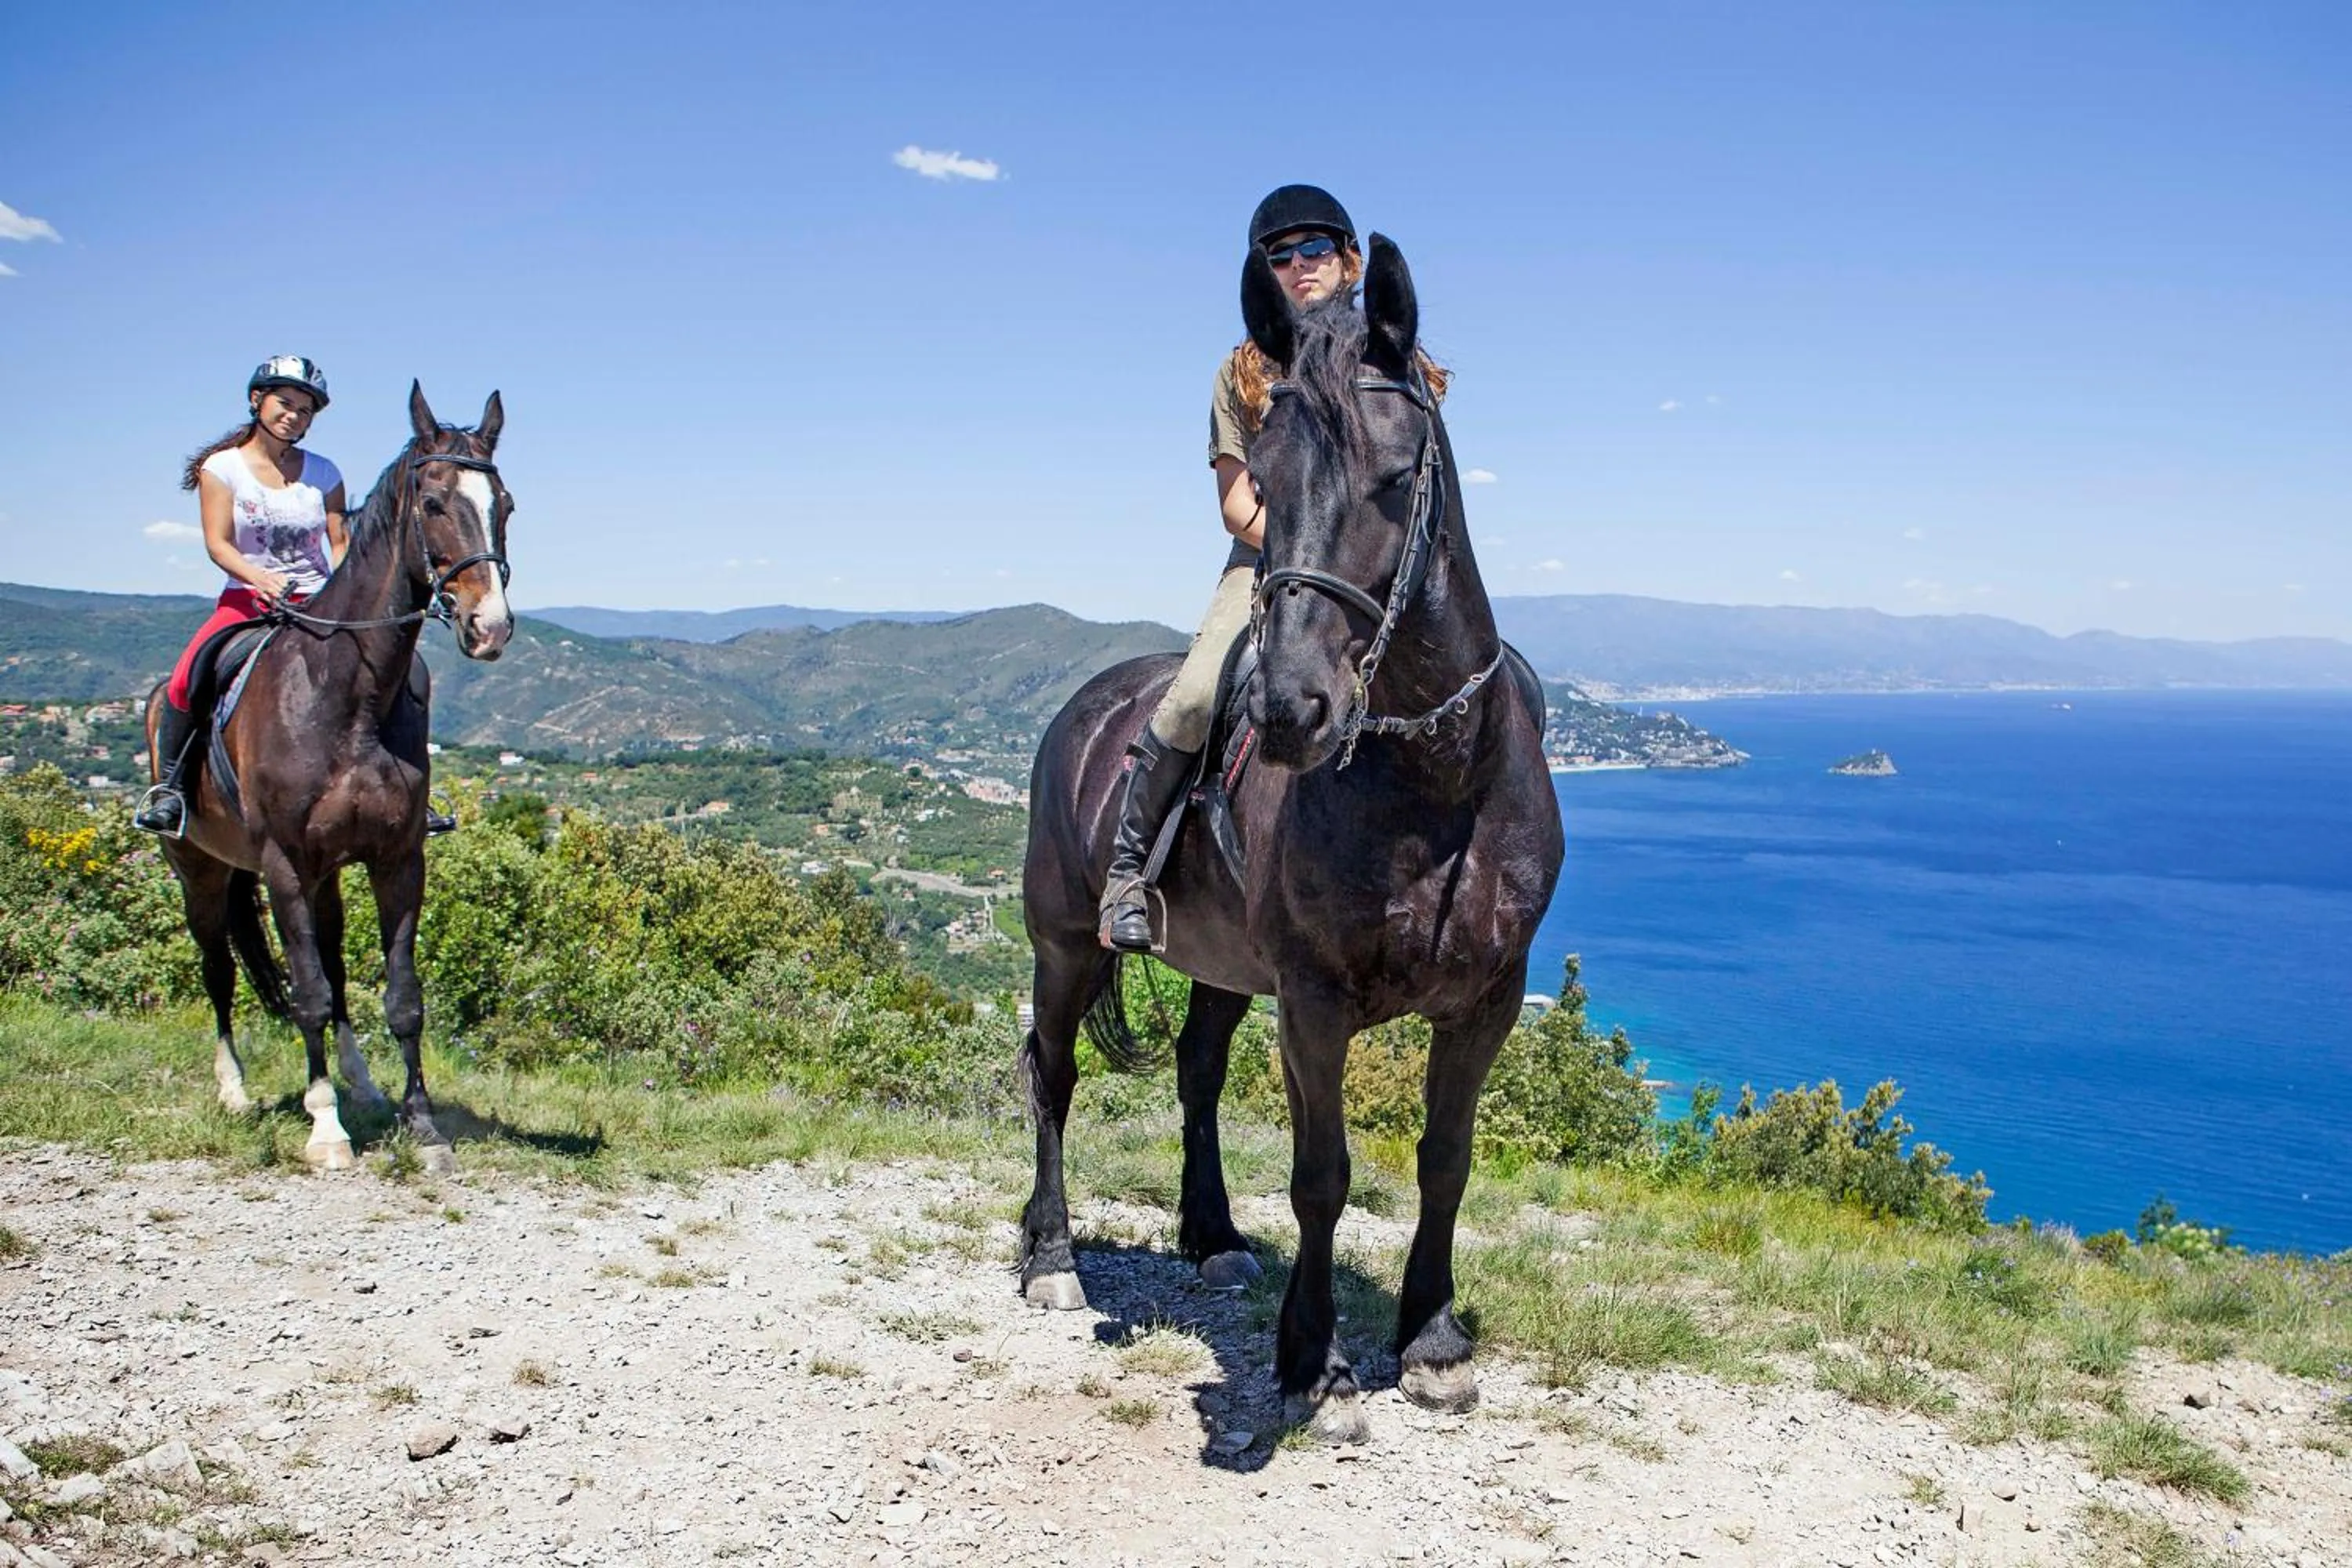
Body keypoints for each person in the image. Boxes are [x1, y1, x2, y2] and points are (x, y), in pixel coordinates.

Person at [1097, 185, 1449, 951]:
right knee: (1193, 697)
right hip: (1272, 558)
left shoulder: (1400, 360)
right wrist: (1299, 548)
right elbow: (1235, 506)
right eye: (1278, 257)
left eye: (1314, 249)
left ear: (1351, 261)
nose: (1298, 266)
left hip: (1373, 567)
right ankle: (1128, 872)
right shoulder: (1241, 373)